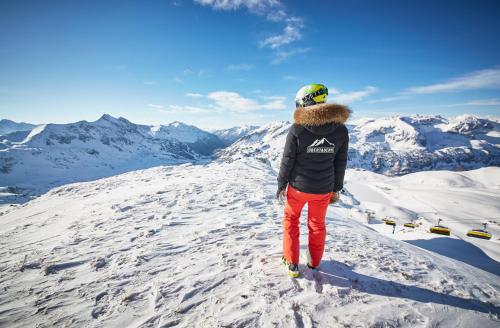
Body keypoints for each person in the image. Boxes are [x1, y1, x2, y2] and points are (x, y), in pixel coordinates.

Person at [277, 83, 350, 278]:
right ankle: (314, 263)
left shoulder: (297, 129)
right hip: (323, 189)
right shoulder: (341, 130)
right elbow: (340, 163)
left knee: (291, 221)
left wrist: (281, 184)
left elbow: (287, 160)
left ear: (304, 102)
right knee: (317, 225)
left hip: (298, 188)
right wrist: (336, 188)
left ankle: (292, 263)